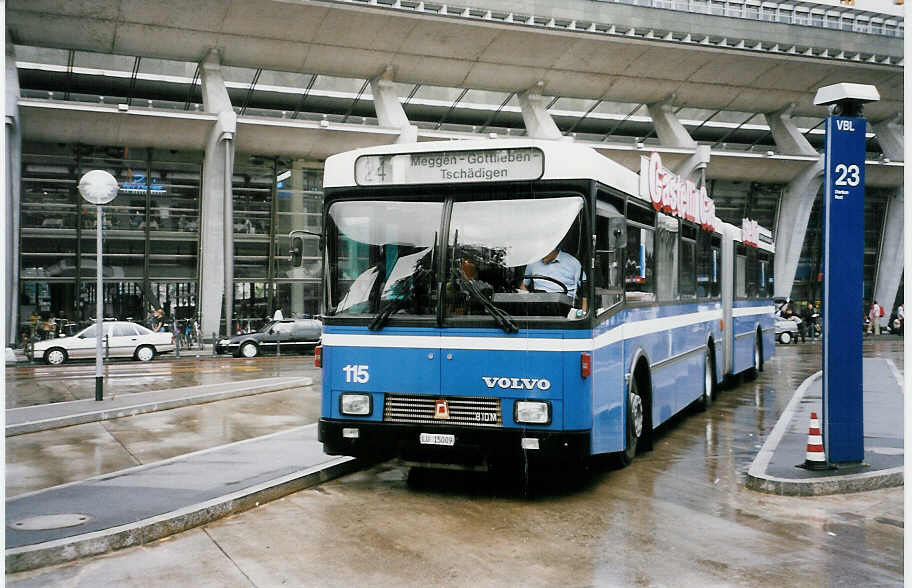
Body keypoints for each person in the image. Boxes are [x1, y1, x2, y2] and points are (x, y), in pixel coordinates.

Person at [520, 247, 587, 312]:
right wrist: (527, 298)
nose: (542, 255)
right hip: (539, 301)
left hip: (563, 303)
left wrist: (583, 313)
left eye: (545, 252)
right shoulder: (533, 262)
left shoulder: (573, 263)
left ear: (555, 249)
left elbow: (585, 291)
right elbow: (523, 285)